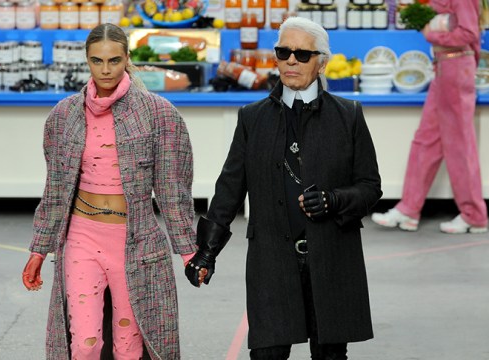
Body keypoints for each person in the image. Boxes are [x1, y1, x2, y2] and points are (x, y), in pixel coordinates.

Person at [185, 17, 382, 360]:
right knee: (267, 354)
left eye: (302, 54)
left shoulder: (348, 115)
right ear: (275, 58)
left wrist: (335, 200)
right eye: (284, 52)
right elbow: (229, 189)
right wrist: (207, 250)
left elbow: (370, 187)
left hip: (332, 258)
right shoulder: (252, 117)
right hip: (271, 261)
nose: (291, 60)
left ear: (322, 62)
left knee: (330, 354)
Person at [21, 23, 199, 360]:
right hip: (81, 236)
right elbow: (56, 190)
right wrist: (39, 250)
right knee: (84, 345)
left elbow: (173, 188)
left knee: (129, 346)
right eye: (97, 61)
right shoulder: (63, 116)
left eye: (114, 61)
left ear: (127, 59)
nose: (105, 70)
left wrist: (189, 251)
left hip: (133, 239)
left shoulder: (159, 115)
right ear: (86, 61)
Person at [371, 0, 488, 234]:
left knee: (459, 146)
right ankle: (409, 209)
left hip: (455, 69)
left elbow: (468, 32)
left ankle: (474, 215)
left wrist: (432, 35)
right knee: (426, 141)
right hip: (444, 68)